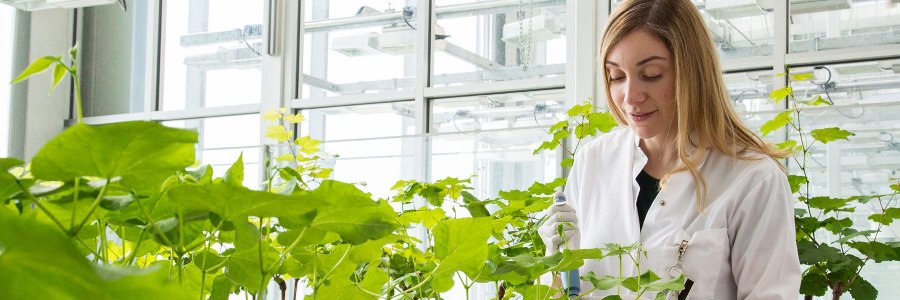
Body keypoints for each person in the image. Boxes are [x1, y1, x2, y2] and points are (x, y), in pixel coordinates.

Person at [538, 0, 801, 299]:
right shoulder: (593, 161)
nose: (630, 97)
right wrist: (554, 262)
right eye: (617, 77)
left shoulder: (753, 178)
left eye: (651, 74)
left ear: (692, 72)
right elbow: (572, 287)